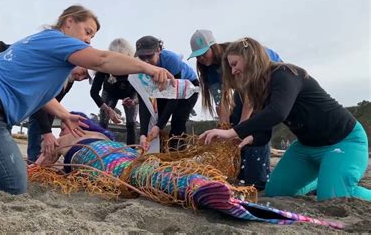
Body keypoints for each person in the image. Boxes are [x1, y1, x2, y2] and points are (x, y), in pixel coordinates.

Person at [0, 4, 175, 195]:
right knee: (12, 185)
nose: (89, 41)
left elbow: (39, 96)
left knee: (5, 173)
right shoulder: (59, 41)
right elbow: (103, 59)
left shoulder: (42, 43)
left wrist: (64, 115)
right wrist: (147, 67)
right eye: (88, 32)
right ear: (69, 22)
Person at [31, 116, 343, 229]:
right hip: (106, 155)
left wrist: (48, 156)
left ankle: (199, 186)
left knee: (139, 171)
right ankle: (197, 185)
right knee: (143, 170)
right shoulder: (78, 136)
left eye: (69, 123)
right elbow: (44, 164)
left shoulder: (75, 132)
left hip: (102, 156)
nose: (64, 126)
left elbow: (45, 162)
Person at [199, 37, 370, 201]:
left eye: (234, 64)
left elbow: (277, 112)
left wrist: (232, 131)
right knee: (275, 192)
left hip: (343, 142)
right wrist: (249, 137)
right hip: (306, 147)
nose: (233, 70)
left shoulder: (285, 73)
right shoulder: (259, 89)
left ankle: (331, 181)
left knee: (331, 197)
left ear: (249, 57)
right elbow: (265, 130)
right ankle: (323, 179)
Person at [188, 29, 282, 190]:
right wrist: (225, 128)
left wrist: (241, 128)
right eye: (197, 56)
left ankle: (258, 180)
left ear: (214, 46)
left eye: (204, 53)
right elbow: (221, 102)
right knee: (234, 124)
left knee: (254, 125)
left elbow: (250, 98)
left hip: (268, 76)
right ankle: (242, 174)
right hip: (244, 91)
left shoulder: (235, 55)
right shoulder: (210, 71)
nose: (201, 58)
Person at [0, 42, 91, 162]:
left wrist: (47, 133)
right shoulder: (56, 69)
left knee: (37, 120)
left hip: (19, 76)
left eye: (84, 78)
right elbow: (39, 102)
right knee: (4, 105)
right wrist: (46, 133)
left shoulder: (69, 81)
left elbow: (52, 107)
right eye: (83, 72)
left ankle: (34, 159)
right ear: (78, 62)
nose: (80, 78)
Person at [135, 36, 199, 151]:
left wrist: (159, 126)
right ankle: (159, 152)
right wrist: (143, 133)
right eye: (141, 57)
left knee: (177, 121)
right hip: (162, 89)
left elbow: (174, 97)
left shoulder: (171, 60)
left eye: (149, 56)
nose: (146, 61)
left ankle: (178, 154)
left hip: (187, 87)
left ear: (158, 50)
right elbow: (143, 101)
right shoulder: (139, 67)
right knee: (155, 119)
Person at [90, 38, 138, 145]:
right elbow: (94, 92)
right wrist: (107, 109)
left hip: (130, 93)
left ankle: (132, 150)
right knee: (103, 122)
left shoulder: (135, 66)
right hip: (110, 93)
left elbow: (143, 90)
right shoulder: (104, 67)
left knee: (131, 122)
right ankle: (101, 147)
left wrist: (134, 101)